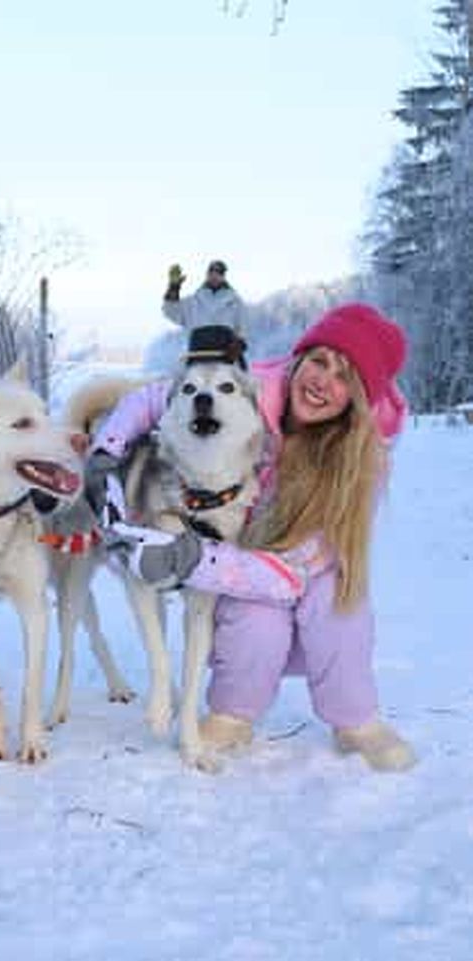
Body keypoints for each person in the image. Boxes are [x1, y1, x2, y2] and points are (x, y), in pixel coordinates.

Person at [85, 305, 416, 772]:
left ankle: (357, 722)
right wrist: (107, 449)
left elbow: (293, 573)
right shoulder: (252, 391)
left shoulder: (362, 464)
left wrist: (193, 559)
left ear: (356, 400)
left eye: (343, 377)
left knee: (340, 609)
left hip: (306, 565)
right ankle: (232, 714)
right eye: (319, 360)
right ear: (299, 359)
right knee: (251, 613)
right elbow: (155, 398)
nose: (323, 380)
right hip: (246, 554)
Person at [162, 258, 247, 342]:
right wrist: (173, 287)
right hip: (198, 352)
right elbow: (171, 311)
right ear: (207, 275)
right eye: (211, 272)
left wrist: (239, 343)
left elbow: (242, 327)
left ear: (223, 276)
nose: (214, 276)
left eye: (218, 272)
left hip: (225, 352)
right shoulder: (194, 301)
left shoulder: (234, 301)